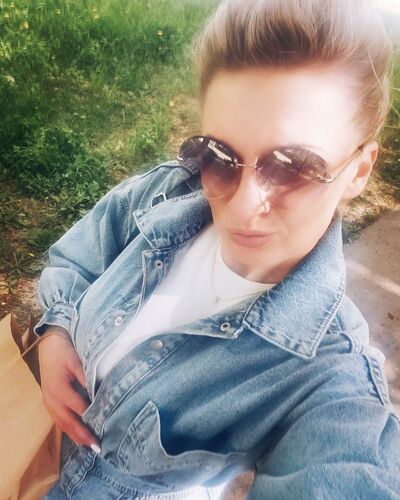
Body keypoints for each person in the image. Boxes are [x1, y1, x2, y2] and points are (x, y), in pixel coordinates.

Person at [35, 0, 400, 498]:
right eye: (219, 156)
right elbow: (78, 256)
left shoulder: (331, 379)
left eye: (295, 167)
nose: (244, 206)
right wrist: (56, 332)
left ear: (358, 171)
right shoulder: (164, 192)